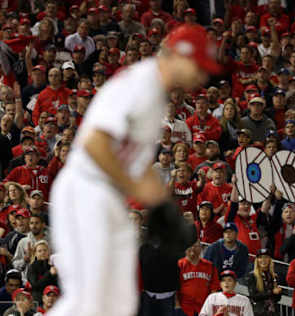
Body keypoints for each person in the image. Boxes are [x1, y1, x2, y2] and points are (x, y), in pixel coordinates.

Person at [48, 24, 222, 316]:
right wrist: (142, 192)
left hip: (106, 195)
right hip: (86, 190)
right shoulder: (141, 84)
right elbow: (94, 143)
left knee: (118, 302)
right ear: (179, 57)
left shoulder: (155, 94)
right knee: (88, 300)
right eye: (199, 66)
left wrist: (161, 204)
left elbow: (137, 165)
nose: (202, 76)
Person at [177, 240, 220, 316]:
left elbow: (214, 288)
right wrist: (177, 306)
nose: (192, 249)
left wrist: (211, 306)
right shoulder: (179, 265)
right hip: (184, 308)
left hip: (203, 308)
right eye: (190, 246)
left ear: (201, 248)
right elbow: (175, 288)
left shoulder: (210, 266)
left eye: (196, 246)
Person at [246, 249, 282, 316]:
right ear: (257, 260)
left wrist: (279, 292)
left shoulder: (274, 276)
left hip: (273, 312)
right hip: (259, 312)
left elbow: (277, 299)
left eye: (266, 257)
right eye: (260, 257)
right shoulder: (252, 275)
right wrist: (272, 292)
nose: (263, 260)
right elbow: (254, 296)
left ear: (269, 259)